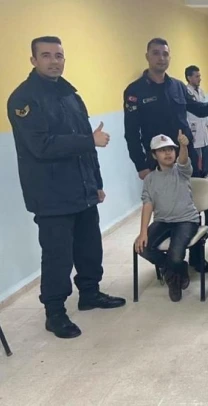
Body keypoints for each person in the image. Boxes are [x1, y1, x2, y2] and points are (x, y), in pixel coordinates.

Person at [7, 36, 125, 339]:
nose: (54, 61)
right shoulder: (23, 99)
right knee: (58, 255)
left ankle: (90, 293)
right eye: (46, 55)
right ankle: (55, 312)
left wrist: (96, 183)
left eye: (58, 55)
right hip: (50, 194)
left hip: (82, 188)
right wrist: (89, 141)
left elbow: (88, 144)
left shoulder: (70, 94)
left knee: (90, 247)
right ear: (33, 60)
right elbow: (41, 146)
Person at [123, 38, 208, 180]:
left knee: (194, 191)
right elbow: (131, 133)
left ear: (169, 57)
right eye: (156, 53)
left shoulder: (178, 86)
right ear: (147, 56)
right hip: (158, 159)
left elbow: (200, 110)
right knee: (164, 194)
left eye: (165, 54)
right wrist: (141, 166)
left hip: (185, 154)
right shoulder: (135, 91)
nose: (161, 58)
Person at [134, 132, 199, 302]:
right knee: (142, 248)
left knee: (175, 254)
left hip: (186, 220)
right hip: (162, 221)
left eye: (170, 149)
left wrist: (183, 146)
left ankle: (172, 279)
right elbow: (147, 204)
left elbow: (183, 160)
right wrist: (143, 232)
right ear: (154, 155)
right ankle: (178, 270)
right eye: (162, 150)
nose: (168, 153)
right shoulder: (149, 179)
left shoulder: (181, 171)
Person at [185, 65, 208, 178]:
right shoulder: (186, 93)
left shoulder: (201, 91)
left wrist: (207, 125)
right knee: (196, 158)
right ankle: (198, 178)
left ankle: (206, 176)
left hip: (203, 128)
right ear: (189, 78)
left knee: (207, 153)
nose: (200, 79)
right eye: (197, 76)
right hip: (193, 130)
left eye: (199, 76)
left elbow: (203, 110)